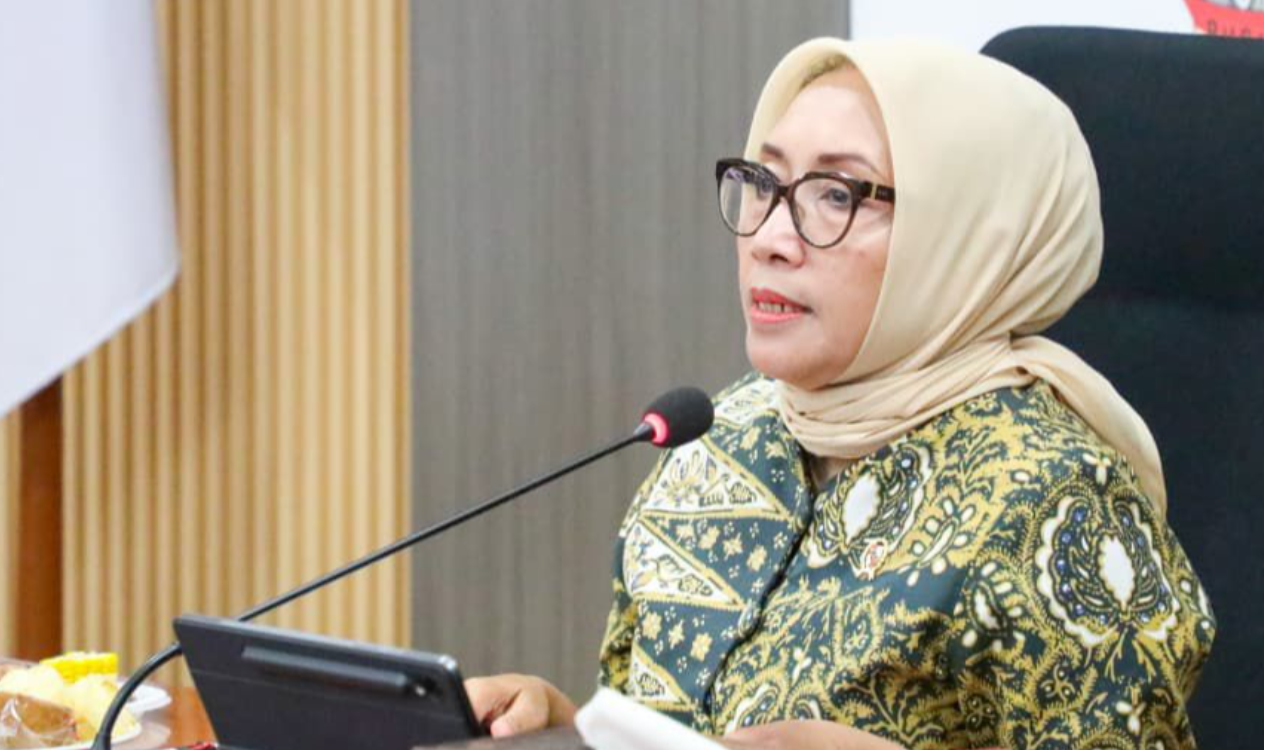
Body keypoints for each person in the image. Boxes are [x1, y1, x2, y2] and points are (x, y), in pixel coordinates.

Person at [467, 37, 1215, 750]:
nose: (769, 237)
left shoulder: (1057, 501)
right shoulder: (716, 437)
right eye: (763, 184)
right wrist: (560, 729)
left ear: (962, 235)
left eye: (835, 194)